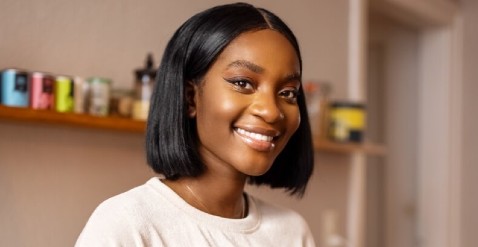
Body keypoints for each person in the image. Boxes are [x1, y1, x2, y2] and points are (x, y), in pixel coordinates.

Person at [76, 2, 315, 246]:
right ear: (190, 97)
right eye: (243, 83)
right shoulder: (128, 224)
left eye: (287, 93)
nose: (272, 111)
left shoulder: (292, 232)